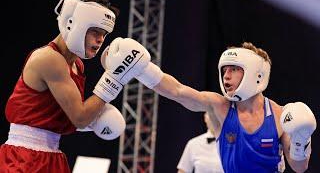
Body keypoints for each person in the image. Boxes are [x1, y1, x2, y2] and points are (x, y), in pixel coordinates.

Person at [102, 38, 317, 173]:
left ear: (255, 73)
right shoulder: (220, 106)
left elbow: (300, 167)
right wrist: (142, 69)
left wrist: (301, 140)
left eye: (234, 69)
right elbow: (178, 91)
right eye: (224, 70)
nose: (226, 75)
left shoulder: (281, 114)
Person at [0, 0, 134, 172]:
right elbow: (79, 117)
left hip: (52, 155)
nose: (101, 40)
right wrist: (115, 78)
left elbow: (69, 116)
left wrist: (95, 120)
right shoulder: (48, 59)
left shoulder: (77, 64)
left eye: (104, 34)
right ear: (73, 23)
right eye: (95, 31)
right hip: (24, 157)